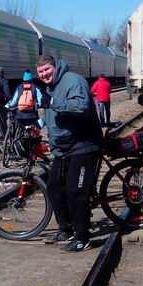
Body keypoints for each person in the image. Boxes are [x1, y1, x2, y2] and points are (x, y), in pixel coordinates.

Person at [37, 55, 103, 252]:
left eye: (47, 70)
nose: (44, 74)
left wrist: (54, 102)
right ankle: (67, 229)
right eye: (40, 72)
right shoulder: (53, 86)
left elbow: (81, 107)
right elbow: (53, 113)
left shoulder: (73, 80)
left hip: (84, 144)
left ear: (55, 67)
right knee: (54, 188)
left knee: (76, 192)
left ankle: (83, 238)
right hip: (65, 148)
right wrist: (38, 125)